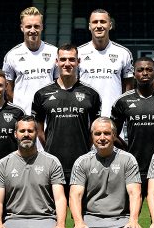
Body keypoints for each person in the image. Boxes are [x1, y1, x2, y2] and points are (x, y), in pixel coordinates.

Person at [31, 44, 102, 186]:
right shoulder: (42, 94)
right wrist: (50, 145)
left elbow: (95, 129)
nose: (67, 64)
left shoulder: (91, 94)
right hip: (52, 162)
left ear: (78, 62)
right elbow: (37, 127)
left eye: (71, 59)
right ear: (56, 62)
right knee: (55, 206)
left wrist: (85, 147)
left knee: (81, 207)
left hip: (83, 161)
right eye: (63, 59)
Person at [111, 57, 154, 187]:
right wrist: (127, 150)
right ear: (134, 73)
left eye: (149, 69)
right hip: (132, 165)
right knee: (132, 206)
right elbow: (112, 134)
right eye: (140, 70)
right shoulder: (123, 101)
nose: (145, 73)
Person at [77, 9, 134, 118]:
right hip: (85, 117)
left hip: (114, 117)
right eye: (95, 22)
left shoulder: (123, 53)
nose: (99, 26)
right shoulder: (79, 53)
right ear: (89, 26)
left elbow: (128, 89)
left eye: (103, 22)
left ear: (110, 25)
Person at [3, 6, 57, 115]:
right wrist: (19, 108)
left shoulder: (54, 52)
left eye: (36, 26)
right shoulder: (12, 55)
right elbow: (8, 90)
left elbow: (60, 85)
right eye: (28, 26)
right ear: (22, 28)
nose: (32, 30)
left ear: (42, 27)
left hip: (49, 115)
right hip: (22, 117)